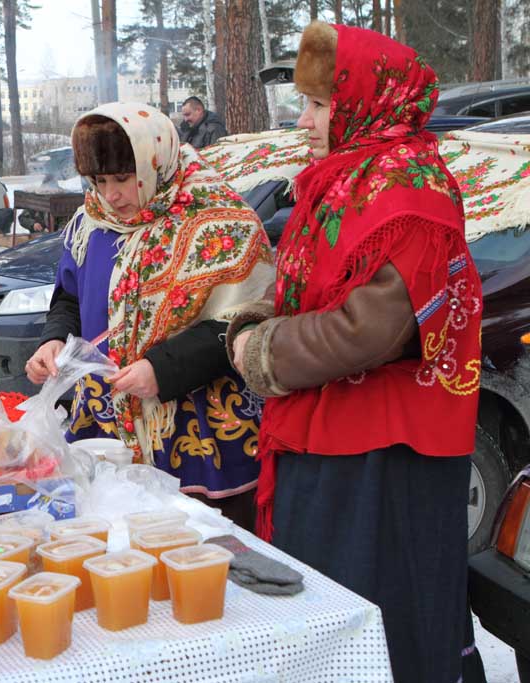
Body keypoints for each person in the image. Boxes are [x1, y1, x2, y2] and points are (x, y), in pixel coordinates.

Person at [226, 22, 485, 682]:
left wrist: (267, 350)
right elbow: (314, 284)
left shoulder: (410, 192)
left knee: (379, 621)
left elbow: (366, 331)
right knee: (332, 617)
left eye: (317, 105)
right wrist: (262, 315)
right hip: (337, 445)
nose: (302, 120)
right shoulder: (349, 176)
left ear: (364, 100)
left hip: (385, 460)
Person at [26, 103, 274, 528]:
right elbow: (69, 296)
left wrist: (162, 369)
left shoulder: (218, 221)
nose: (111, 195)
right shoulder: (92, 222)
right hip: (107, 428)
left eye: (123, 179)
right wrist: (54, 339)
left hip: (196, 435)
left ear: (154, 161)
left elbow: (244, 321)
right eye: (99, 181)